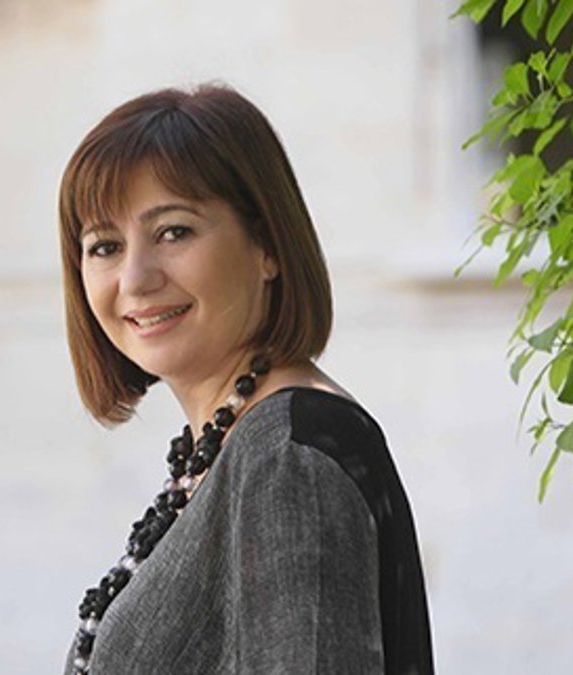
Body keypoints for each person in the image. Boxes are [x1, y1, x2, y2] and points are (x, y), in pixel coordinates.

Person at [56, 83, 434, 674]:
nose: (135, 278)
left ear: (267, 247)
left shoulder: (287, 457)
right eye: (104, 246)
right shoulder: (234, 449)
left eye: (174, 232)